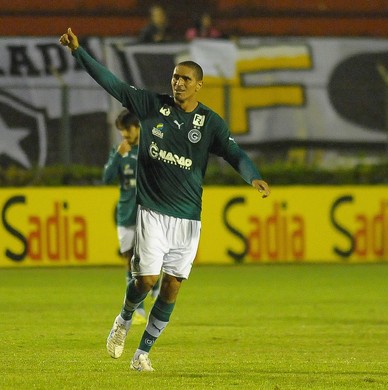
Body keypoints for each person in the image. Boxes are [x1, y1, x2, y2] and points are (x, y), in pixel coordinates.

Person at [60, 27, 271, 371]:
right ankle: (124, 319)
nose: (178, 83)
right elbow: (112, 84)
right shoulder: (151, 106)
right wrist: (78, 52)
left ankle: (142, 354)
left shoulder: (209, 123)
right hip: (153, 212)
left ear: (199, 85)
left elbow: (235, 154)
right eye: (175, 77)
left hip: (189, 219)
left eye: (186, 79)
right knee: (146, 280)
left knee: (172, 287)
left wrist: (254, 177)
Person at [102, 109, 160, 326]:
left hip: (148, 212)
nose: (124, 135)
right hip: (126, 214)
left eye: (127, 130)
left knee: (150, 258)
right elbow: (106, 177)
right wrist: (118, 155)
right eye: (121, 131)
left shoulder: (150, 149)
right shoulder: (119, 151)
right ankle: (139, 311)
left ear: (137, 128)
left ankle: (155, 286)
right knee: (130, 261)